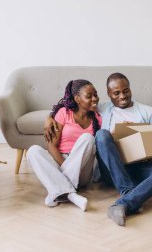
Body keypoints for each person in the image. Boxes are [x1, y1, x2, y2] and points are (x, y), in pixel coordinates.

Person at [44, 73, 152, 225]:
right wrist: (50, 117)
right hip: (112, 169)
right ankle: (128, 192)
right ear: (109, 94)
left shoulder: (148, 112)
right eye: (116, 93)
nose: (122, 96)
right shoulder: (102, 108)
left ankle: (124, 203)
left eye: (126, 91)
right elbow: (73, 106)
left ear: (130, 89)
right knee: (102, 134)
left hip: (140, 167)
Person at [27, 79, 101, 211]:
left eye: (96, 94)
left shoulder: (98, 118)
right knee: (33, 151)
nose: (95, 98)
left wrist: (65, 171)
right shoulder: (64, 113)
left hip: (82, 169)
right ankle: (72, 195)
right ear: (77, 99)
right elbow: (51, 146)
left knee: (88, 138)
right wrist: (65, 166)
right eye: (89, 96)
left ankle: (57, 189)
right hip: (60, 160)